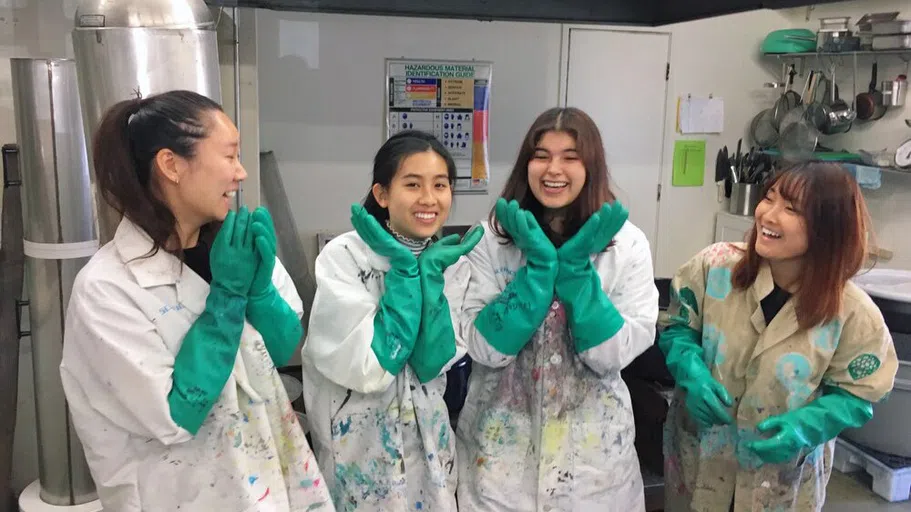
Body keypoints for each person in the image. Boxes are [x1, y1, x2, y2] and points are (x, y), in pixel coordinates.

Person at [59, 90, 333, 511]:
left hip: (265, 486)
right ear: (171, 164)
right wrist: (225, 299)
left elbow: (278, 352)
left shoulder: (234, 249)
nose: (241, 173)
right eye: (229, 156)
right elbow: (174, 417)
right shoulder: (108, 288)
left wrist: (257, 291)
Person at [659, 162, 898, 511]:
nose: (768, 215)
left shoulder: (854, 314)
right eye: (768, 198)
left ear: (828, 227)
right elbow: (678, 325)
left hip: (781, 481)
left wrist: (807, 426)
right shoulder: (715, 266)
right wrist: (689, 371)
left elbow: (858, 394)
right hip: (701, 458)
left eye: (791, 209)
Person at [455, 107, 659, 511]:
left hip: (593, 467)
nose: (554, 169)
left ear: (592, 165)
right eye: (541, 155)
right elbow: (483, 348)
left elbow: (612, 355)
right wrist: (536, 276)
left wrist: (579, 278)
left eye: (570, 156)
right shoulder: (490, 239)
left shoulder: (627, 245)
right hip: (501, 460)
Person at [301, 130, 481, 511]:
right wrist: (403, 272)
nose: (429, 199)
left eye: (440, 185)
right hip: (358, 449)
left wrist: (429, 279)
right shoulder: (345, 257)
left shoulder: (452, 265)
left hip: (428, 447)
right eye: (412, 184)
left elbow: (432, 363)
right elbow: (369, 368)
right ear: (382, 194)